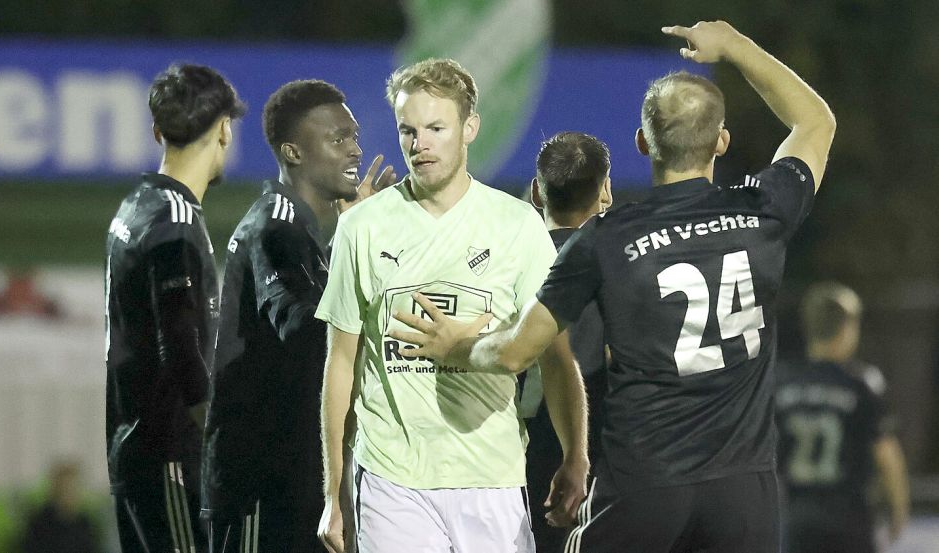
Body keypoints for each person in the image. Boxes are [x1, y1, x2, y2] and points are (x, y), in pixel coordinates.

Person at [390, 21, 836, 553]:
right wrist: (735, 45)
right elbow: (815, 121)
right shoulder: (762, 210)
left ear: (643, 143)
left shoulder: (605, 239)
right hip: (745, 493)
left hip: (642, 488)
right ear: (721, 141)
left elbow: (515, 354)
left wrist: (456, 345)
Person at [316, 58, 589, 553]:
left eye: (436, 128)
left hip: (493, 478)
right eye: (408, 130)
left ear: (469, 128)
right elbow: (340, 363)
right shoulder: (361, 227)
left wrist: (576, 455)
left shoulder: (518, 226)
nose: (419, 144)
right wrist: (333, 492)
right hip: (391, 479)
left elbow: (556, 356)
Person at [201, 79, 394, 553]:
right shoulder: (275, 228)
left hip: (295, 479)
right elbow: (307, 331)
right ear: (293, 152)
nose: (354, 150)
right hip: (261, 487)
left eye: (353, 136)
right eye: (337, 139)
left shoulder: (304, 232)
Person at [105, 63, 245, 553]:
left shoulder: (136, 207)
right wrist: (226, 439)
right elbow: (182, 348)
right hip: (169, 454)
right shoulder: (176, 220)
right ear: (223, 129)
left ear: (157, 130)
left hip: (135, 446)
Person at [523, 131, 611, 552]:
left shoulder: (502, 259)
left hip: (506, 448)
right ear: (605, 191)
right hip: (599, 450)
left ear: (537, 192)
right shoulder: (623, 266)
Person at [775, 282, 910, 553]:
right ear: (847, 328)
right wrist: (899, 510)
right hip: (850, 519)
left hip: (798, 519)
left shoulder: (781, 383)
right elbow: (886, 453)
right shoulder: (861, 383)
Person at [21, 462, 101, 553]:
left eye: (73, 489)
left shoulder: (85, 525)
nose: (69, 494)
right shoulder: (39, 524)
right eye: (65, 489)